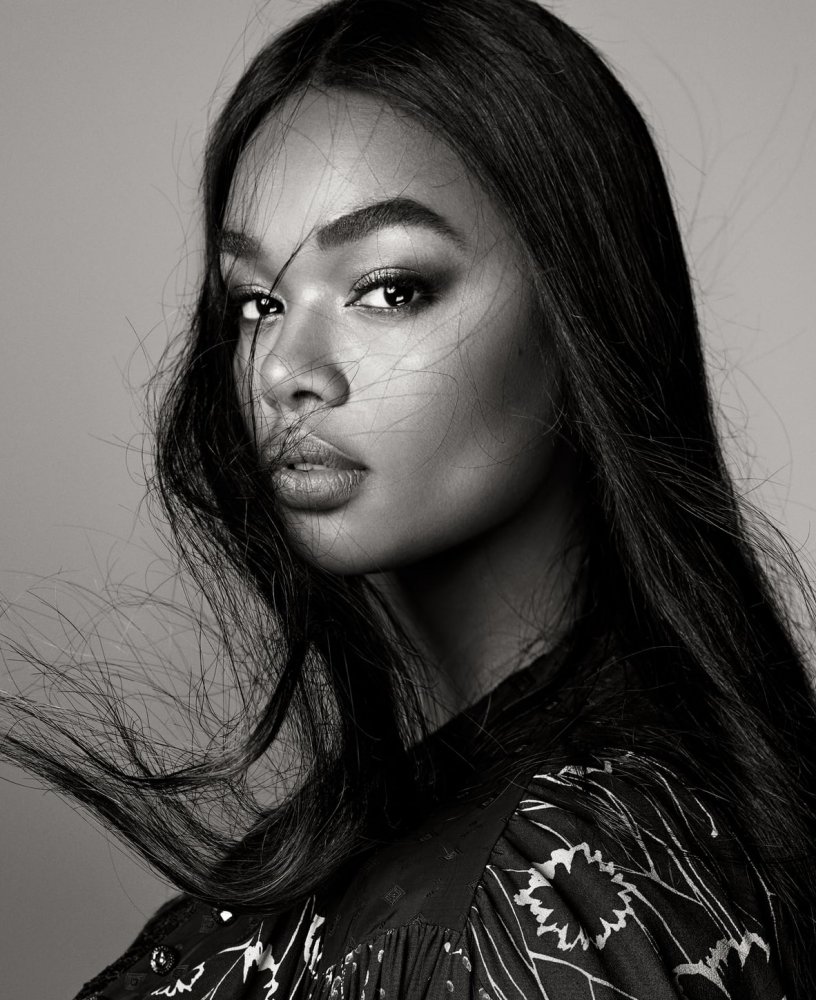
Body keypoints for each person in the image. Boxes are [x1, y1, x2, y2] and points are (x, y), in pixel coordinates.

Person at [3, 0, 815, 997]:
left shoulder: (548, 885)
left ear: (584, 309)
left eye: (389, 289)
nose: (285, 370)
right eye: (257, 301)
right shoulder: (431, 835)